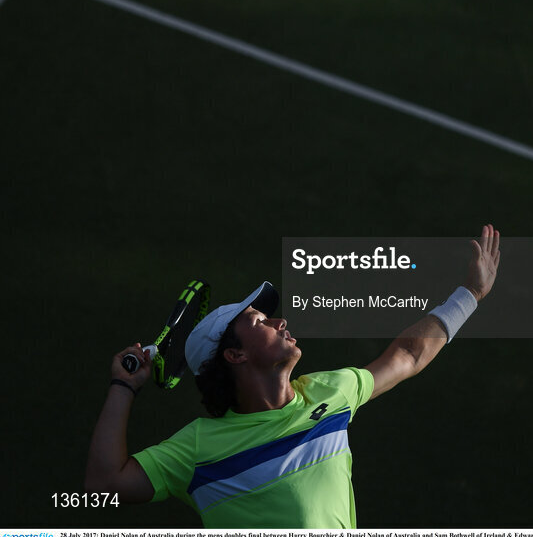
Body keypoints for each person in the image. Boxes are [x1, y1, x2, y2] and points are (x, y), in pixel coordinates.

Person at [85, 225, 500, 527]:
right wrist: (123, 387)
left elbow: (409, 354)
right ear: (234, 354)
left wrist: (470, 295)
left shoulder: (331, 392)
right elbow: (101, 489)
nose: (280, 322)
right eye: (260, 321)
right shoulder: (196, 450)